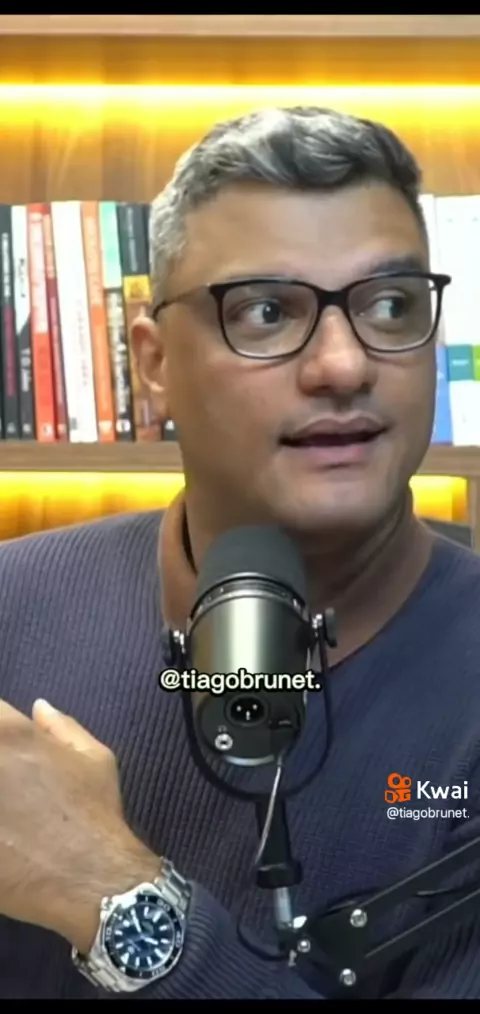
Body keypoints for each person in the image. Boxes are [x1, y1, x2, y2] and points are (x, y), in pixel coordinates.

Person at [0, 105, 479, 1001]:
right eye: (266, 312)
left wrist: (112, 894)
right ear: (153, 364)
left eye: (390, 306)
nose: (344, 365)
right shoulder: (10, 610)